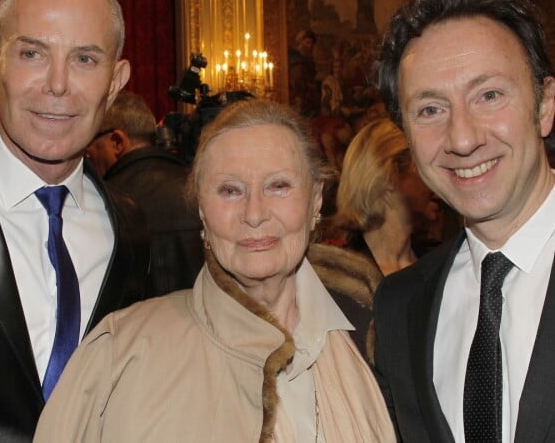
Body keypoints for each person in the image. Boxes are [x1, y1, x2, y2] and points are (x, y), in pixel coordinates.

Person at [34, 99, 396, 442]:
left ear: (316, 198)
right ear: (202, 210)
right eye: (230, 190)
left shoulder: (378, 337)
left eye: (279, 186)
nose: (255, 213)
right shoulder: (121, 355)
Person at [372, 0, 555, 442]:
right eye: (430, 110)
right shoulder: (400, 306)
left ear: (545, 106)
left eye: (489, 96)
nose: (463, 138)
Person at [0, 0, 150, 442]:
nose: (57, 84)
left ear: (115, 82)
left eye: (84, 60)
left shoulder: (135, 232)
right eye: (32, 53)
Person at [86, 90, 204, 295]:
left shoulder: (104, 204)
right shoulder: (201, 188)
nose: (86, 157)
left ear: (117, 141)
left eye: (89, 149)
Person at [332, 117, 439, 276]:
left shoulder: (436, 267)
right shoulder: (343, 277)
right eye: (419, 166)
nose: (432, 178)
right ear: (390, 177)